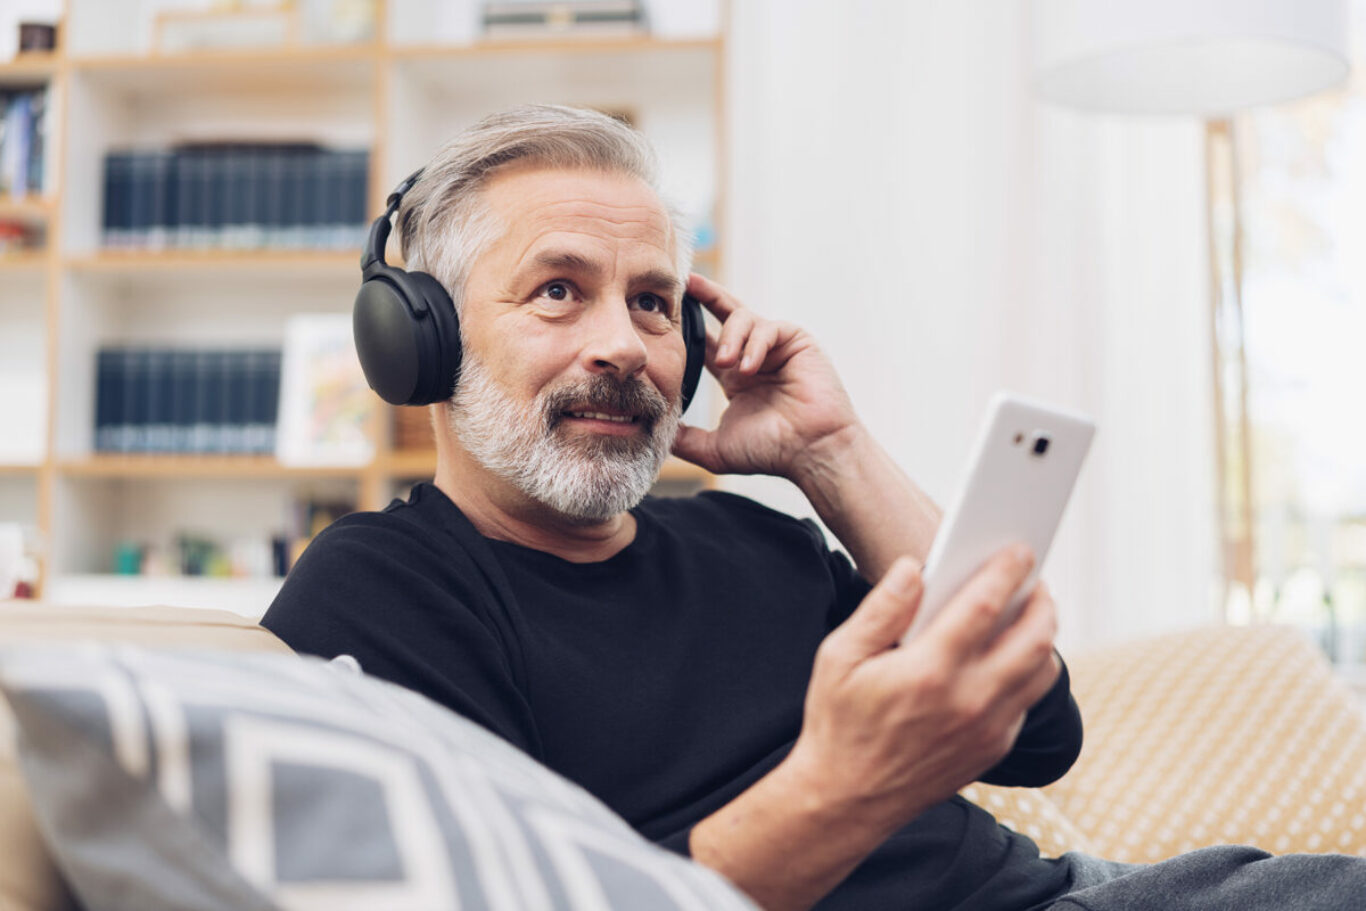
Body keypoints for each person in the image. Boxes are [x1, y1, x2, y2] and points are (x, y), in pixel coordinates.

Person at [263, 105, 1365, 911]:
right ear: (423, 341)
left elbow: (1038, 732)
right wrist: (840, 785)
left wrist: (829, 452)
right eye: (558, 290)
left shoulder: (753, 536)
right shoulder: (378, 592)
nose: (622, 344)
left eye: (654, 303)